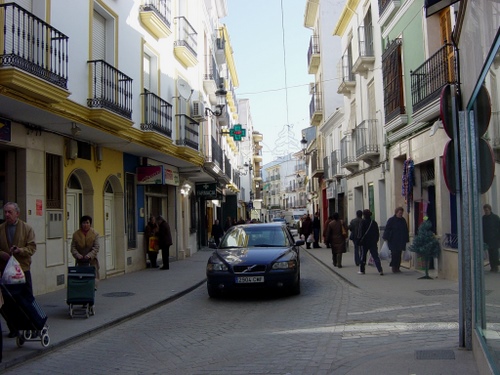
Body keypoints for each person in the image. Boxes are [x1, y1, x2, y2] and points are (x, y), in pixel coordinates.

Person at [0, 202, 37, 338]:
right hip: (6, 272)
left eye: (10, 212)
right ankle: (13, 327)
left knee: (27, 300)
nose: (7, 215)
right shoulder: (1, 228)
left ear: (17, 213)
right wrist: (1, 254)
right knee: (7, 302)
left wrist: (20, 250)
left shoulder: (26, 228)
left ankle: (33, 327)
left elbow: (32, 248)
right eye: (5, 212)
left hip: (22, 270)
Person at [71, 215, 100, 284]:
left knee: (93, 280)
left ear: (90, 224)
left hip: (92, 261)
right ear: (81, 224)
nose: (85, 225)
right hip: (81, 261)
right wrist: (77, 255)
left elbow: (96, 247)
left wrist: (90, 255)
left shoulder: (95, 234)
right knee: (82, 280)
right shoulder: (76, 234)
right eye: (84, 223)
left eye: (87, 223)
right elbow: (73, 247)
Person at [383, 206, 410, 273]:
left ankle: (397, 267)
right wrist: (386, 237)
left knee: (399, 254)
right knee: (394, 254)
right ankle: (393, 267)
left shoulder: (403, 220)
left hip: (401, 240)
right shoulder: (391, 220)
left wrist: (406, 239)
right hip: (393, 240)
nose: (401, 214)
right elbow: (387, 229)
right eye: (400, 213)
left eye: (402, 213)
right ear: (396, 213)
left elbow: (405, 230)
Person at [358, 209, 383, 276]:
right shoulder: (374, 222)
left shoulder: (362, 222)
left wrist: (359, 240)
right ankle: (380, 270)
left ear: (364, 215)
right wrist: (376, 240)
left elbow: (360, 232)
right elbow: (377, 233)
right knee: (375, 256)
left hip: (364, 242)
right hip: (372, 242)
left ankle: (362, 270)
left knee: (363, 256)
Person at [482, 204, 500, 272]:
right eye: (484, 210)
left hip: (495, 239)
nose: (485, 212)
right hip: (488, 239)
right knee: (490, 253)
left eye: (486, 210)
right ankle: (492, 266)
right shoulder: (483, 218)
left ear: (489, 210)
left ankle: (495, 266)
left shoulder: (495, 218)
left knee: (495, 253)